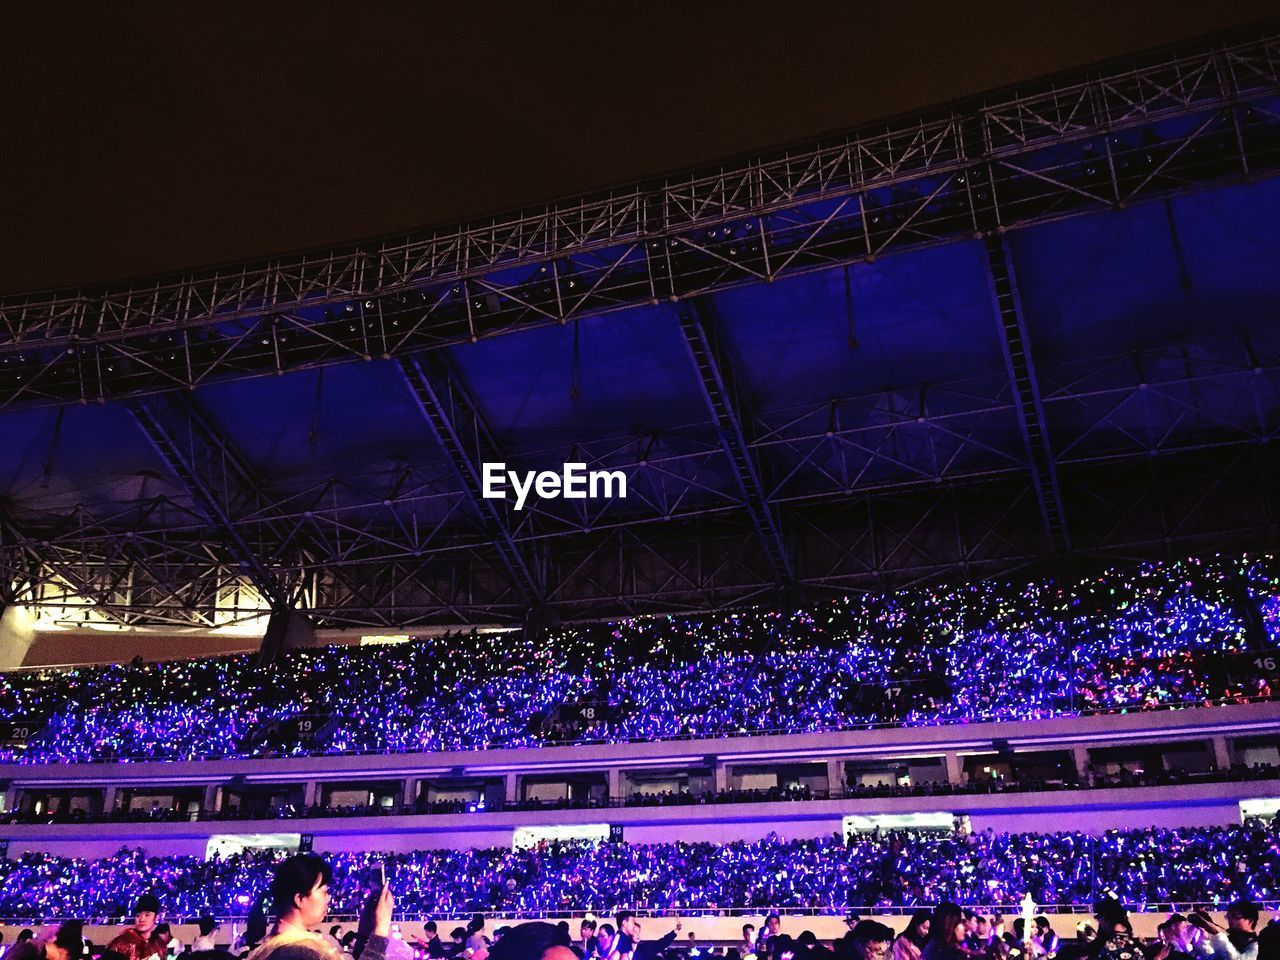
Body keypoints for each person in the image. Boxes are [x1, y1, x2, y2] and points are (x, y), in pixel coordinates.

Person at [246, 853, 392, 960]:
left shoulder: (280, 945)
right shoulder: (295, 952)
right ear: (299, 899)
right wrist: (381, 930)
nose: (328, 898)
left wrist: (364, 933)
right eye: (324, 892)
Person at [1191, 903, 1261, 960]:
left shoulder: (1258, 946)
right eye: (1229, 917)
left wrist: (1217, 933)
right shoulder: (1232, 939)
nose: (1230, 921)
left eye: (1235, 917)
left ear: (1250, 921)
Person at [108, 895, 167, 960]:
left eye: (147, 915)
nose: (141, 919)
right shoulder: (122, 942)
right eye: (138, 915)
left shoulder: (159, 944)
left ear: (156, 917)